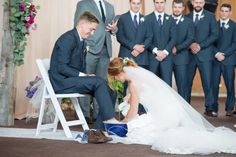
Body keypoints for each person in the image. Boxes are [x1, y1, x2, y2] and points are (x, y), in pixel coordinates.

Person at [107, 57, 236, 154]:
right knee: (139, 125)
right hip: (173, 112)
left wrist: (123, 123)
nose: (116, 80)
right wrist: (129, 96)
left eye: (114, 78)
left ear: (119, 73)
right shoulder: (142, 76)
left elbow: (134, 111)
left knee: (135, 132)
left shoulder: (133, 84)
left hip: (164, 117)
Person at [48, 12, 115, 130]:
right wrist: (83, 76)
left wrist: (87, 76)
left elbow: (78, 65)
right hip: (61, 82)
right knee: (99, 81)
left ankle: (99, 129)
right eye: (91, 29)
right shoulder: (67, 39)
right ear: (82, 24)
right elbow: (62, 68)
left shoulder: (80, 39)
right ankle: (110, 119)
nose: (92, 33)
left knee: (111, 91)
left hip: (72, 79)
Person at [74, 0, 118, 122]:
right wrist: (84, 46)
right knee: (86, 80)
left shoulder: (110, 6)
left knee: (101, 82)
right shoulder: (83, 4)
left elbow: (112, 28)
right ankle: (84, 114)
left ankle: (99, 113)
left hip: (105, 49)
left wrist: (114, 29)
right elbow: (77, 25)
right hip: (90, 48)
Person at [116, 0, 152, 113]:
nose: (136, 6)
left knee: (140, 85)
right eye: (133, 3)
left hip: (142, 56)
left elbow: (150, 36)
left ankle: (140, 109)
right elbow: (120, 36)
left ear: (140, 5)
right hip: (127, 55)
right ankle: (121, 109)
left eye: (138, 3)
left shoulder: (146, 19)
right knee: (123, 84)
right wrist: (133, 46)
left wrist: (142, 47)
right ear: (130, 3)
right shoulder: (122, 18)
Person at [186, 0, 218, 117]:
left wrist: (200, 45)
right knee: (187, 82)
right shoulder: (187, 17)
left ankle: (210, 108)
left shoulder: (210, 16)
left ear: (203, 3)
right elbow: (183, 34)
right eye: (196, 2)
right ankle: (186, 107)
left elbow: (215, 34)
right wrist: (190, 45)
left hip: (205, 55)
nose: (198, 4)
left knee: (207, 82)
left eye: (200, 2)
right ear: (192, 3)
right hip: (189, 56)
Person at [212, 3, 236, 116]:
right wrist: (216, 53)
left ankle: (230, 108)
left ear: (230, 12)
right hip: (216, 60)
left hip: (229, 60)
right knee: (214, 84)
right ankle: (214, 109)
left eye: (226, 11)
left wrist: (224, 54)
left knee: (230, 84)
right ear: (219, 12)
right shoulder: (214, 25)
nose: (224, 13)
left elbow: (234, 44)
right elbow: (211, 42)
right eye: (222, 11)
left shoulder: (234, 26)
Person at [146, 0, 176, 86]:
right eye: (157, 2)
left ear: (165, 3)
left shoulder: (171, 19)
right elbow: (145, 39)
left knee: (167, 87)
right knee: (151, 86)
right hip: (152, 58)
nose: (159, 5)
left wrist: (165, 52)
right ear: (154, 3)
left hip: (167, 59)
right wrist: (156, 51)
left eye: (162, 2)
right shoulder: (147, 19)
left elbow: (173, 38)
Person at [171, 0, 194, 101]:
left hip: (182, 58)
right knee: (165, 85)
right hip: (167, 58)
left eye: (179, 7)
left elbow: (190, 39)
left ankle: (185, 112)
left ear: (183, 8)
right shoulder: (167, 19)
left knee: (182, 87)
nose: (177, 9)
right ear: (172, 7)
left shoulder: (188, 22)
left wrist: (177, 48)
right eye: (175, 7)